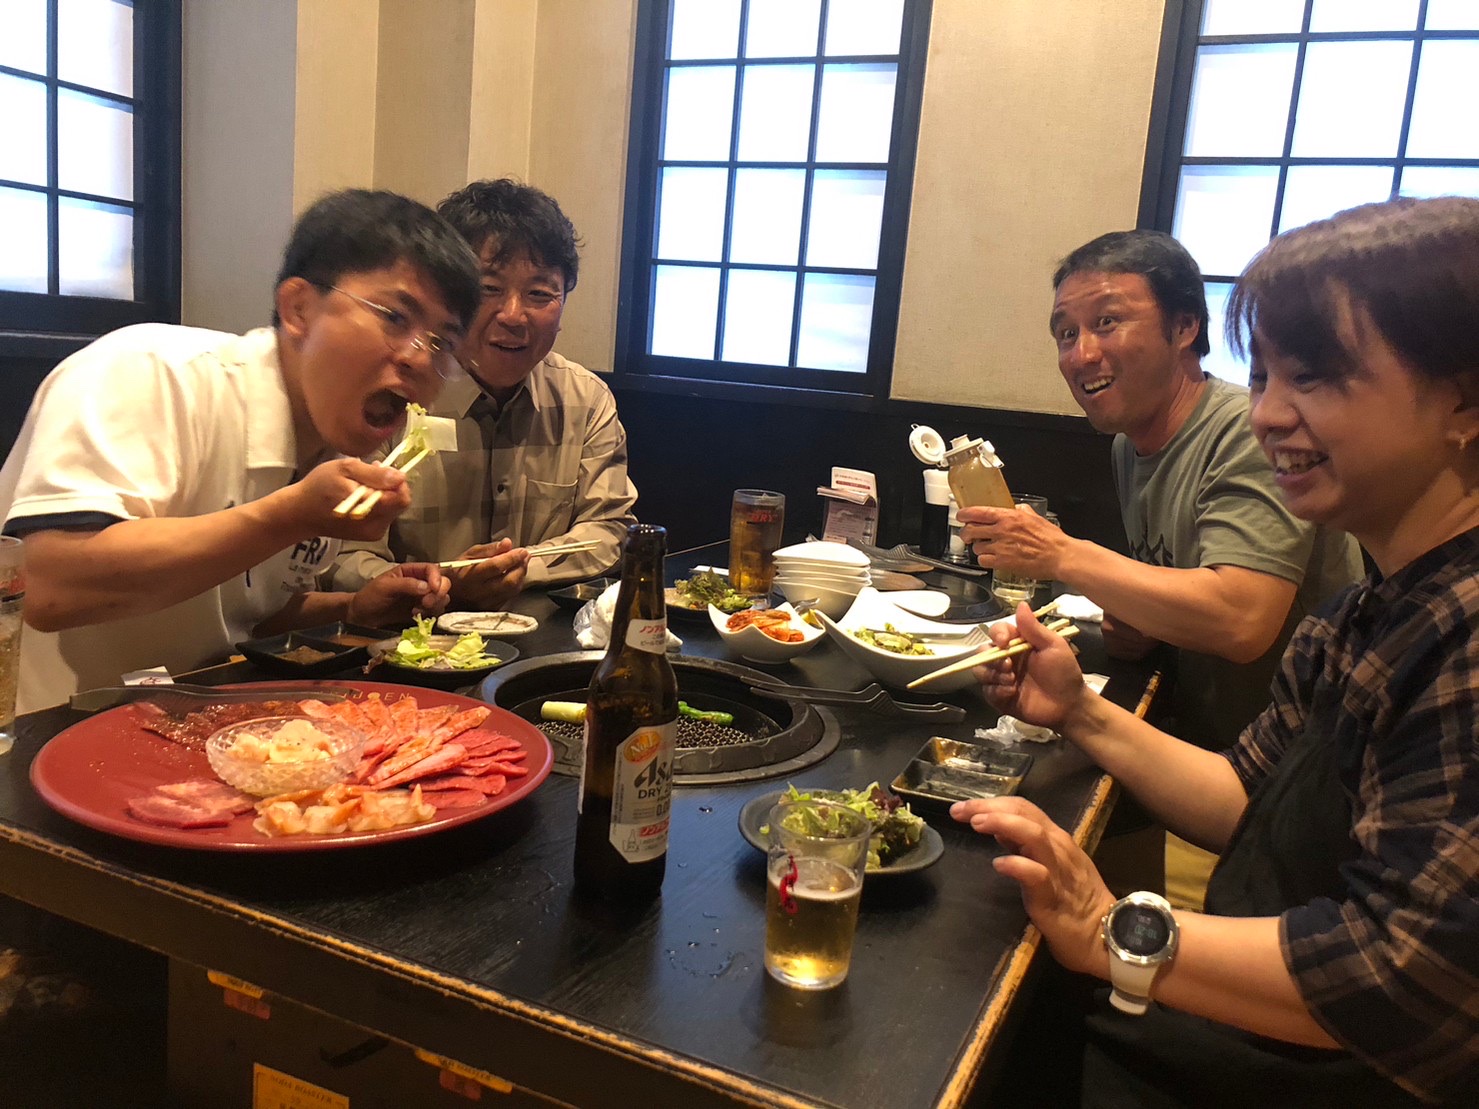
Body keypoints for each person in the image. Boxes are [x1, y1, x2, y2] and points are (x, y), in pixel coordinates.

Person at [955, 196, 1479, 1106]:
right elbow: (1246, 796)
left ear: (1462, 398)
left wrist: (1109, 923)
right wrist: (1077, 708)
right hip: (1271, 988)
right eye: (1264, 375)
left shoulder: (1462, 638)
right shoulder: (1361, 613)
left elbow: (1395, 981)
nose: (1267, 413)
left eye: (1312, 376)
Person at [0, 189, 481, 712]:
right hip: (40, 730)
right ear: (299, 308)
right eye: (395, 317)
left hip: (186, 720)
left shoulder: (334, 452)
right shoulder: (151, 372)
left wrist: (353, 607)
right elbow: (49, 585)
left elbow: (243, 616)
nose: (419, 358)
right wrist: (289, 517)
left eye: (443, 343)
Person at [959, 230, 1363, 751]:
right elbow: (1185, 592)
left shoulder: (1246, 432)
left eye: (1107, 323)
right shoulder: (1128, 446)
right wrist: (1146, 624)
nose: (1082, 354)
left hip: (1302, 765)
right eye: (1066, 333)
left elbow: (1242, 620)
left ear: (1185, 326)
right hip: (1202, 742)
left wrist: (1060, 554)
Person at [328, 178, 638, 610]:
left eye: (540, 294)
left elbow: (609, 529)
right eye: (489, 288)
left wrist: (517, 567)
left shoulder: (584, 400)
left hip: (542, 637)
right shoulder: (391, 395)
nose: (513, 315)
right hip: (408, 635)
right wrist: (441, 584)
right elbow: (342, 555)